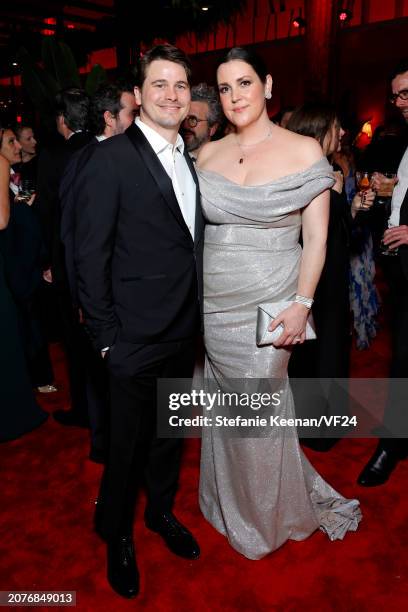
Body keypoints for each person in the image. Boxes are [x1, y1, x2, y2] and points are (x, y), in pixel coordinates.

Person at [196, 47, 361, 560]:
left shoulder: (305, 151)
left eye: (243, 83)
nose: (234, 96)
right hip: (213, 305)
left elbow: (317, 241)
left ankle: (264, 517)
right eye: (224, 88)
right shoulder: (207, 154)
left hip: (273, 304)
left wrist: (302, 305)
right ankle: (228, 501)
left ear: (266, 85)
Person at [74, 45, 203, 598]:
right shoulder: (110, 158)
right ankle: (118, 534)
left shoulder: (190, 157)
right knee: (126, 445)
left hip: (183, 332)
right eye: (160, 84)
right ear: (138, 94)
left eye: (180, 85)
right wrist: (105, 340)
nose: (171, 94)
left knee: (169, 439)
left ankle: (160, 514)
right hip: (130, 338)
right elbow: (88, 255)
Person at [287, 103, 375, 448]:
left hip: (333, 272)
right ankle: (315, 429)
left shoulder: (330, 168)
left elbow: (336, 231)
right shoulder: (305, 171)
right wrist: (336, 197)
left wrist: (350, 209)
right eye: (336, 127)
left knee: (332, 346)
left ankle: (326, 420)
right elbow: (303, 231)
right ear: (318, 128)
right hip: (315, 277)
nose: (342, 134)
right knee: (315, 349)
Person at [59, 82, 138, 464]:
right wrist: (84, 300)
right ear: (110, 118)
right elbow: (74, 236)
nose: (137, 121)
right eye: (131, 114)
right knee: (102, 380)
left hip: (127, 294)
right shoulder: (88, 160)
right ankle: (106, 450)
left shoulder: (129, 155)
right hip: (100, 296)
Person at [358, 59, 408, 486]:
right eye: (397, 96)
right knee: (403, 357)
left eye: (407, 93)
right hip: (401, 269)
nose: (400, 103)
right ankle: (394, 441)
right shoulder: (402, 139)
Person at [35, 88, 93, 428]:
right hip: (101, 259)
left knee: (75, 340)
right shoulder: (102, 147)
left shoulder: (53, 155)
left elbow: (49, 217)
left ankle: (84, 410)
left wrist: (50, 264)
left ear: (61, 120)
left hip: (69, 262)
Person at [0, 122, 48, 442]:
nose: (16, 145)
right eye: (9, 140)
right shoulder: (1, 164)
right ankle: (13, 416)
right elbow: (1, 220)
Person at [180, 82, 222, 160]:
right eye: (183, 118)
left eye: (193, 120)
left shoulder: (222, 164)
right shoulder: (172, 159)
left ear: (212, 128)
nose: (185, 125)